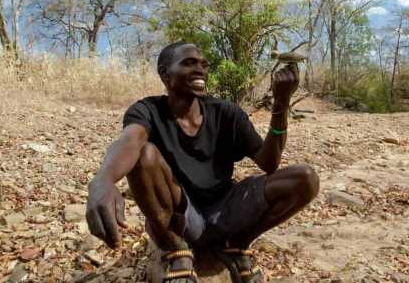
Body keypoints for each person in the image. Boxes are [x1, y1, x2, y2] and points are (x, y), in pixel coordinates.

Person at [85, 42, 320, 283]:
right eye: (189, 63)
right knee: (144, 155)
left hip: (227, 212)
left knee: (305, 179)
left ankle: (237, 244)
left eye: (203, 64)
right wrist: (103, 179)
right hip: (181, 218)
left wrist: (280, 103)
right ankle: (176, 249)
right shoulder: (148, 110)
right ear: (165, 74)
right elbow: (130, 141)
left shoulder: (226, 112)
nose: (201, 70)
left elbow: (269, 163)